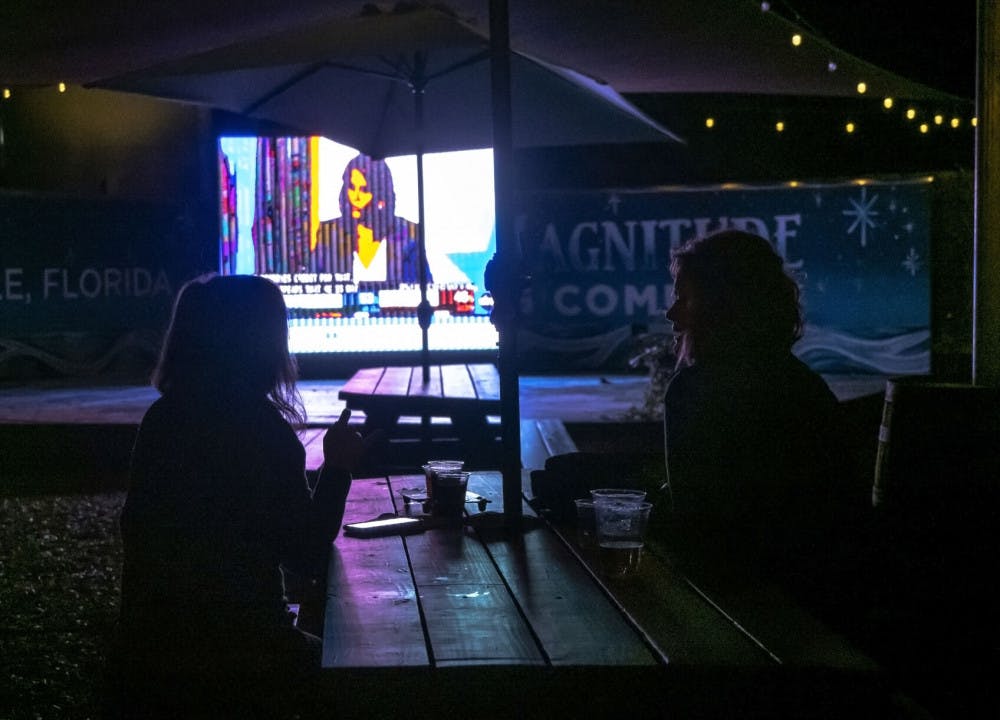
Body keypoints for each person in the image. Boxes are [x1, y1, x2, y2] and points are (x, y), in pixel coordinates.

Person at [110, 274, 370, 717]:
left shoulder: (161, 420)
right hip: (242, 657)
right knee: (369, 674)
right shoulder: (261, 430)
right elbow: (305, 552)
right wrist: (338, 467)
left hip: (149, 654)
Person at [661, 230, 844, 589]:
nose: (671, 313)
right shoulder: (805, 388)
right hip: (822, 593)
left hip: (737, 599)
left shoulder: (692, 391)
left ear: (720, 305)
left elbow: (697, 522)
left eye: (684, 298)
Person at [314, 153, 428, 286]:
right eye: (352, 188)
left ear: (380, 194)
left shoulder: (410, 234)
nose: (355, 197)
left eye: (363, 190)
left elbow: (425, 287)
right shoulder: (327, 234)